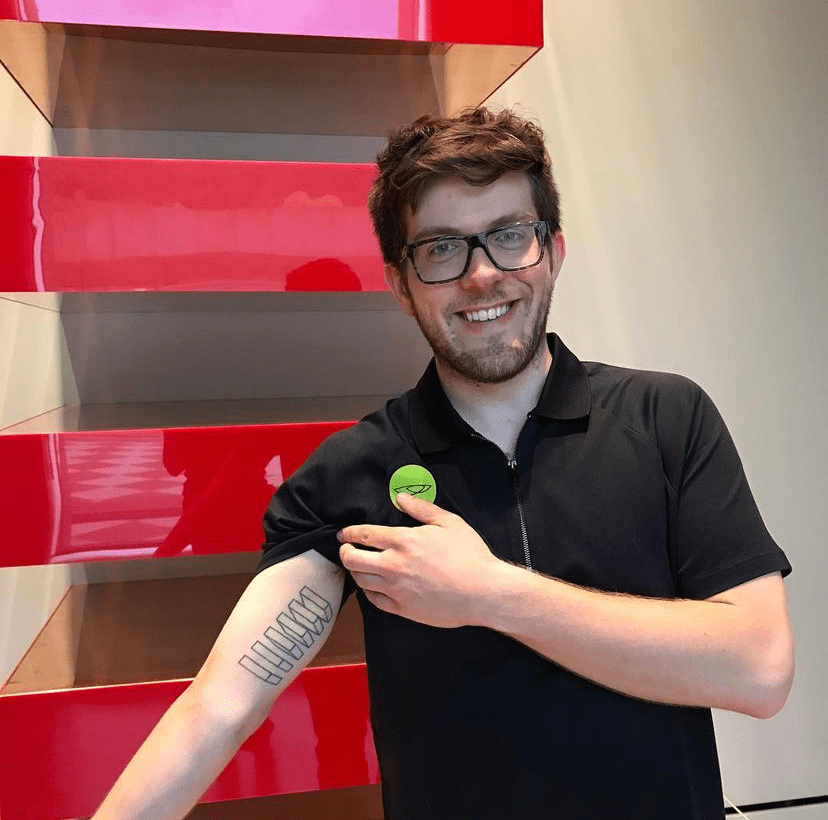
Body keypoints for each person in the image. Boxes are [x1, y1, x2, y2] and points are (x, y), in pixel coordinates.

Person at [92, 108, 794, 819]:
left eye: (510, 237)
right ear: (400, 282)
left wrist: (488, 594)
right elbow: (220, 708)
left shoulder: (666, 418)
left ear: (553, 251)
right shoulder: (353, 474)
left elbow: (759, 669)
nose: (482, 275)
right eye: (441, 250)